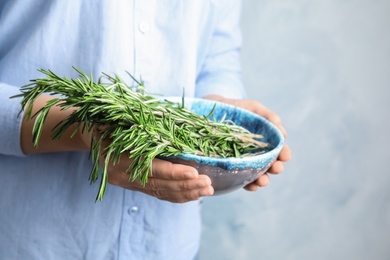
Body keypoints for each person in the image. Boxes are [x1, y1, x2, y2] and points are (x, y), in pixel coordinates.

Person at [0, 0, 291, 259]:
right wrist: (84, 127)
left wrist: (220, 111)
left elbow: (217, 56)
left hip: (170, 245)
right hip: (38, 240)